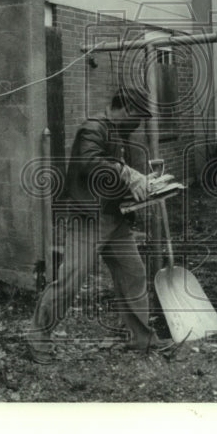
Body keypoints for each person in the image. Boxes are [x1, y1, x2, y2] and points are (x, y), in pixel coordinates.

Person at [25, 88, 172, 364]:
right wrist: (127, 173)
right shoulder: (93, 128)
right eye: (139, 116)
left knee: (134, 274)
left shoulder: (117, 131)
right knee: (70, 282)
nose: (140, 123)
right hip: (88, 219)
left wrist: (143, 183)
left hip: (115, 219)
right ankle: (37, 338)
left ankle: (142, 339)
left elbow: (112, 173)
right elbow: (89, 162)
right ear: (126, 109)